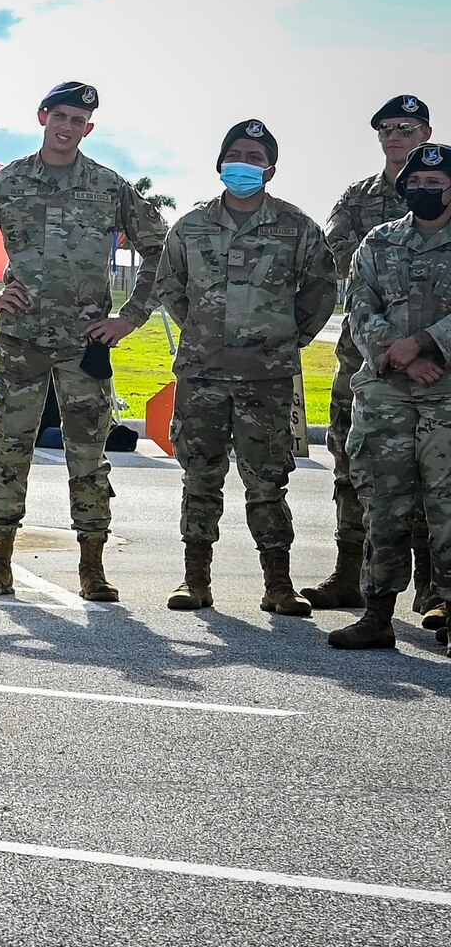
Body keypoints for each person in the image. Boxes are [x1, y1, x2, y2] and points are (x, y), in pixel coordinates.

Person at [0, 81, 168, 602]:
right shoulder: (10, 182)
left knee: (88, 457)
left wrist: (129, 318)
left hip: (85, 345)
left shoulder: (109, 187)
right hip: (22, 343)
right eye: (60, 116)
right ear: (42, 116)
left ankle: (92, 568)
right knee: (8, 452)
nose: (67, 127)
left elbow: (162, 250)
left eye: (79, 120)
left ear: (90, 128)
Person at [155, 120, 337, 614]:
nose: (244, 164)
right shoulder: (190, 226)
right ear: (220, 163)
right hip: (203, 375)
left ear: (270, 169)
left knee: (268, 480)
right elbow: (170, 287)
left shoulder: (296, 227)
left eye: (255, 157)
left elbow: (321, 288)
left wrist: (287, 339)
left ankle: (278, 584)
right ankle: (195, 581)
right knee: (199, 477)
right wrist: (203, 334)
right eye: (235, 154)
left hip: (267, 378)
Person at [304, 95, 435, 617]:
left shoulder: (442, 187)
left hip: (436, 363)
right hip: (364, 358)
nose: (395, 136)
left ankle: (431, 585)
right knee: (350, 465)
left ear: (425, 133)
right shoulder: (359, 197)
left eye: (406, 128)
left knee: (432, 471)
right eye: (386, 129)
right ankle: (348, 575)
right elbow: (336, 260)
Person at [327, 142, 451, 650]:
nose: (422, 191)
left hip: (445, 397)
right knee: (384, 503)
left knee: (446, 507)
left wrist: (423, 342)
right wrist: (401, 356)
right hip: (385, 395)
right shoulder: (379, 243)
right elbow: (360, 307)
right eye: (415, 185)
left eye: (434, 185)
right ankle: (377, 614)